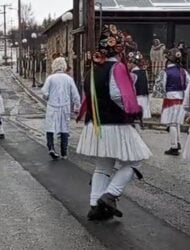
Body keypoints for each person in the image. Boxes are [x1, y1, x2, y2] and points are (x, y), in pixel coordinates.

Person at [76, 24, 152, 220]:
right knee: (136, 160)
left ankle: (95, 205)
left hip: (96, 123)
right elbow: (118, 95)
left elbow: (87, 95)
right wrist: (134, 110)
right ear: (118, 48)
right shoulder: (117, 67)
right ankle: (110, 195)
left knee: (103, 166)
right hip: (116, 124)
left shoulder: (92, 69)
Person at [41, 57, 80, 160]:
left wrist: (47, 97)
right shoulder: (68, 79)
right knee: (64, 128)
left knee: (50, 126)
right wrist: (77, 106)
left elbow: (44, 91)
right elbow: (75, 94)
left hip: (52, 106)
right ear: (64, 66)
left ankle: (51, 147)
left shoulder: (50, 78)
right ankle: (64, 152)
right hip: (65, 106)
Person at [155, 48, 190, 155]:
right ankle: (177, 143)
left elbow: (160, 88)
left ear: (169, 60)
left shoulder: (165, 72)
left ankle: (174, 146)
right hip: (182, 99)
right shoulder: (183, 71)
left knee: (172, 124)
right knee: (177, 123)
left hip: (170, 99)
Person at [127, 51, 151, 124]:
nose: (127, 64)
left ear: (133, 63)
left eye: (129, 62)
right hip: (144, 97)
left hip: (136, 98)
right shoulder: (144, 72)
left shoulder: (132, 74)